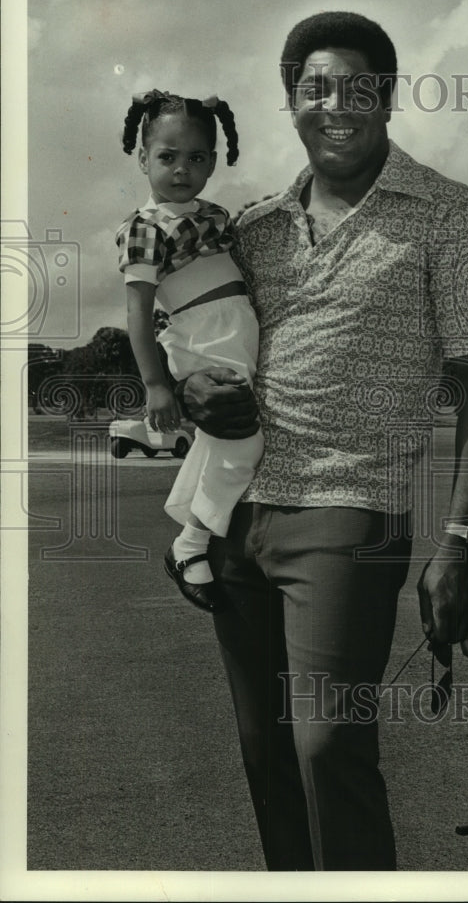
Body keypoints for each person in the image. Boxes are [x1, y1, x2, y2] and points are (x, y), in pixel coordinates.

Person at [175, 11, 468, 871]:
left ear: (388, 99)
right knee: (267, 755)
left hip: (349, 512)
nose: (335, 105)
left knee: (327, 747)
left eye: (356, 89)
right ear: (290, 102)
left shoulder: (446, 211)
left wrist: (462, 542)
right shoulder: (251, 226)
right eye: (315, 88)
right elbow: (210, 351)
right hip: (238, 514)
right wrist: (194, 396)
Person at [117, 91, 264, 613]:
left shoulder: (217, 215)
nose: (182, 169)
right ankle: (189, 545)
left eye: (197, 157)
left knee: (219, 443)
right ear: (143, 158)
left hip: (236, 331)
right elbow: (138, 311)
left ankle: (189, 519)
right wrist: (157, 385)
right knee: (242, 444)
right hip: (201, 336)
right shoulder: (145, 228)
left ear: (213, 162)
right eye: (167, 157)